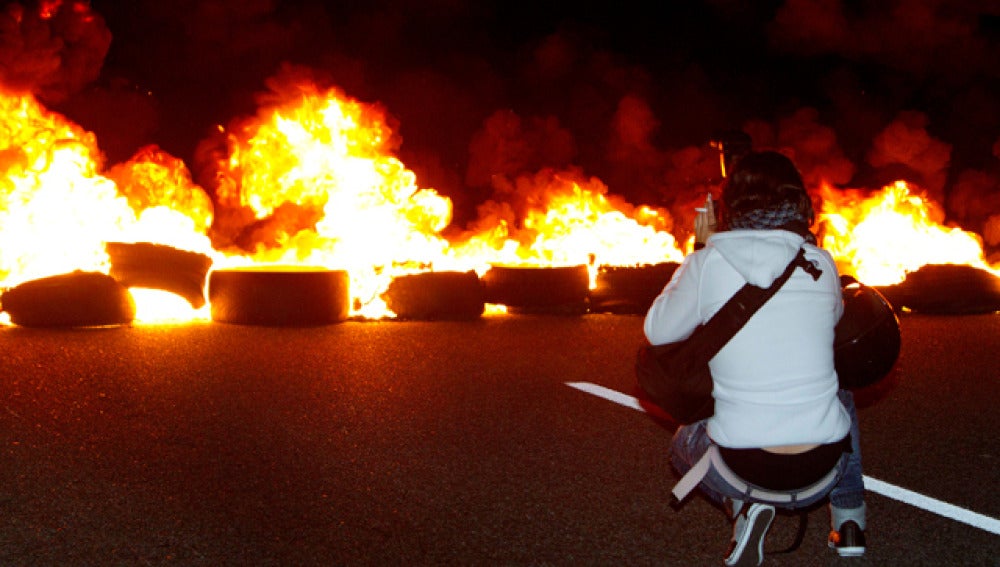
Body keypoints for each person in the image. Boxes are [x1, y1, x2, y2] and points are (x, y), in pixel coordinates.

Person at [643, 151, 866, 566]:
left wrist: (695, 253)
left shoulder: (710, 261)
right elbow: (831, 325)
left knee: (682, 440)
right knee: (842, 395)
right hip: (823, 469)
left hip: (741, 466)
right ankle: (850, 522)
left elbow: (658, 331)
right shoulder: (821, 262)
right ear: (799, 202)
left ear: (729, 206)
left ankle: (745, 511)